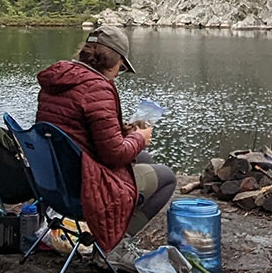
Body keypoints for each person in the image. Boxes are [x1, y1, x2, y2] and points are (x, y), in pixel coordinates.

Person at [34, 25, 176, 255]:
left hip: (54, 179)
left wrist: (122, 129)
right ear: (113, 60)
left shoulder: (60, 78)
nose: (119, 73)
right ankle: (114, 247)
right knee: (167, 177)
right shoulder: (97, 88)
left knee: (145, 158)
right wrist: (139, 137)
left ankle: (106, 238)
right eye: (121, 67)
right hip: (81, 187)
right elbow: (113, 155)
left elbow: (74, 129)